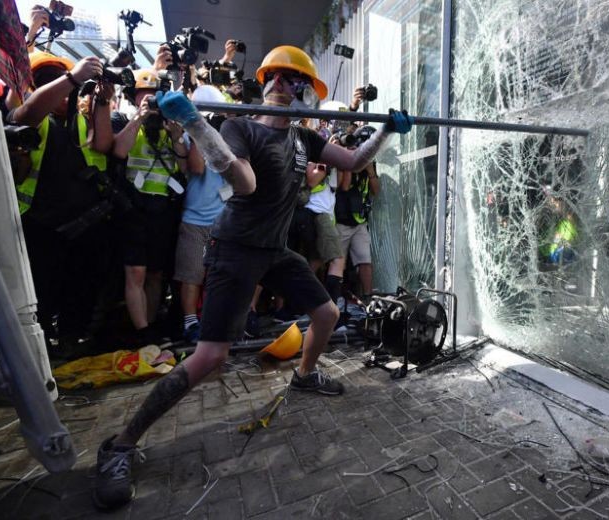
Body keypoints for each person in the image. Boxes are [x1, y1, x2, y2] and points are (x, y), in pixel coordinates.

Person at [92, 44, 412, 509]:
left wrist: (385, 131)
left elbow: (354, 162)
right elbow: (243, 182)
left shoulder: (304, 139)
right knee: (210, 358)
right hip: (235, 252)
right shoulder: (238, 127)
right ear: (263, 85)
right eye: (273, 78)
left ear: (303, 91)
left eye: (290, 80)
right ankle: (119, 445)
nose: (279, 85)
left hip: (275, 252)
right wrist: (197, 124)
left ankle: (304, 376)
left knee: (325, 312)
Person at [9, 51, 113, 353]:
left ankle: (72, 339)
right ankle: (39, 348)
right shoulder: (31, 113)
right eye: (46, 80)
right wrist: (71, 78)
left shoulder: (79, 119)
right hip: (41, 224)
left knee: (81, 287)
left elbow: (104, 145)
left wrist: (102, 102)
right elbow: (27, 114)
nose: (61, 90)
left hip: (84, 224)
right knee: (42, 290)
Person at [111, 68, 203, 346]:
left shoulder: (170, 129)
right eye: (144, 95)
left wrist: (177, 137)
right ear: (134, 96)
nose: (149, 100)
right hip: (135, 209)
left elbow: (186, 168)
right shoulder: (129, 123)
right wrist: (139, 118)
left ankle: (150, 327)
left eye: (154, 97)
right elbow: (118, 151)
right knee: (135, 272)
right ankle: (141, 332)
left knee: (155, 274)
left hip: (163, 210)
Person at [174, 85, 230, 343]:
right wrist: (198, 131)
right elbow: (196, 167)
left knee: (218, 275)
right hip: (194, 219)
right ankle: (189, 323)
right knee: (192, 273)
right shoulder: (187, 137)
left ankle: (214, 318)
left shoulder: (227, 138)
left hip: (222, 218)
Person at [335, 125, 381, 297]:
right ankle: (334, 298)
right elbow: (345, 186)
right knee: (338, 263)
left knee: (365, 261)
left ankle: (368, 298)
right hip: (342, 221)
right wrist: (351, 161)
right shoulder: (347, 158)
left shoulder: (370, 164)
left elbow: (376, 191)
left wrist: (370, 172)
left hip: (360, 222)